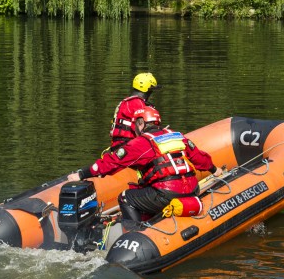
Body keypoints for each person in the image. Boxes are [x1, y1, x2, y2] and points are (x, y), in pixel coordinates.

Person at [74, 106, 223, 227]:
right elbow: (199, 158)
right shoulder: (177, 135)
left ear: (141, 124)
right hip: (192, 190)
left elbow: (111, 163)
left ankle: (135, 235)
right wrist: (215, 170)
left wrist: (82, 174)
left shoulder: (140, 143)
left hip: (166, 194)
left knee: (126, 197)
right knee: (144, 190)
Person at [108, 72, 160, 152]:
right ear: (148, 90)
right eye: (152, 90)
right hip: (127, 146)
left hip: (118, 146)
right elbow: (144, 130)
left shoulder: (127, 102)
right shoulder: (137, 104)